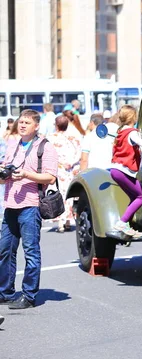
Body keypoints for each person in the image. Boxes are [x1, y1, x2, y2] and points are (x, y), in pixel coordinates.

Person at [0, 109, 58, 309]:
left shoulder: (45, 147)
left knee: (31, 251)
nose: (22, 125)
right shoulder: (12, 143)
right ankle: (5, 291)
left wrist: (26, 174)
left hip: (31, 204)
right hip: (10, 203)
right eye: (21, 121)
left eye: (27, 122)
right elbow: (6, 170)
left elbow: (50, 177)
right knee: (5, 250)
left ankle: (29, 295)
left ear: (36, 126)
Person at [109, 105, 142, 239]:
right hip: (125, 170)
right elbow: (141, 143)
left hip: (115, 169)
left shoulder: (120, 132)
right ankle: (122, 222)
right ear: (133, 117)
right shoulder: (132, 132)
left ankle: (127, 225)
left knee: (134, 196)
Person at [46, 115, 81, 232]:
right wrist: (71, 162)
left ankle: (60, 221)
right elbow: (79, 153)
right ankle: (67, 221)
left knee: (58, 194)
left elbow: (49, 154)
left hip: (58, 169)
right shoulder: (73, 137)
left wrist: (60, 162)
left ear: (56, 125)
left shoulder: (50, 138)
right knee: (69, 195)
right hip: (70, 169)